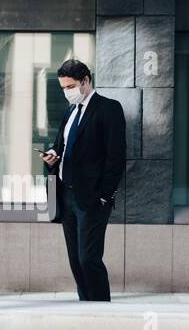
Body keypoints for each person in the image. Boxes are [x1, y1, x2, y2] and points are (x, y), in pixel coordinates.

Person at [39, 59, 126, 302]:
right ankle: (85, 307)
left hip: (92, 199)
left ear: (85, 81)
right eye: (63, 88)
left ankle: (101, 309)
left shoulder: (109, 109)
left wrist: (104, 196)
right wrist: (51, 157)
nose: (67, 93)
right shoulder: (70, 111)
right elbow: (61, 147)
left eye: (70, 87)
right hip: (66, 197)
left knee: (89, 259)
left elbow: (116, 158)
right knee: (76, 260)